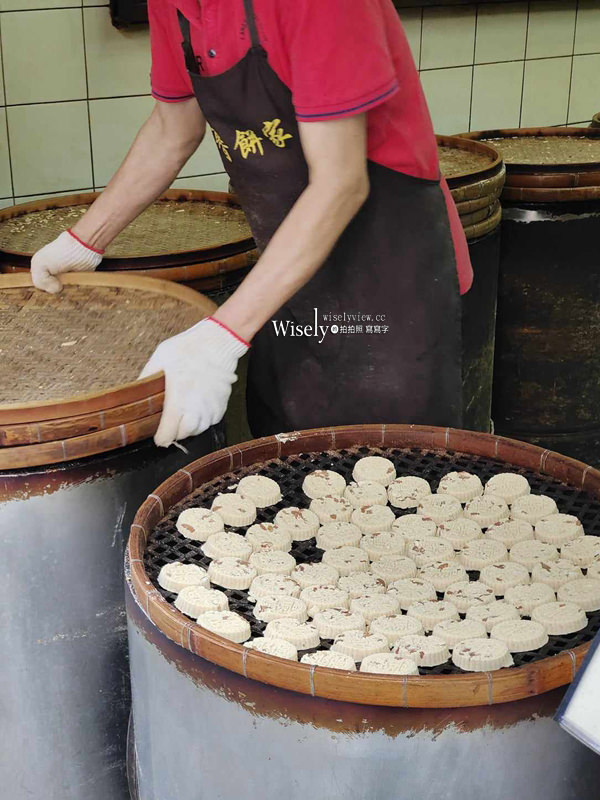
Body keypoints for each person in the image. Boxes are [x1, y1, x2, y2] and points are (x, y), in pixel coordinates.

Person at [31, 0, 472, 447]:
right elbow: (172, 129)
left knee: (396, 463)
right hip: (288, 282)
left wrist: (219, 339)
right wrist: (84, 241)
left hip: (390, 288)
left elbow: (340, 183)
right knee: (287, 452)